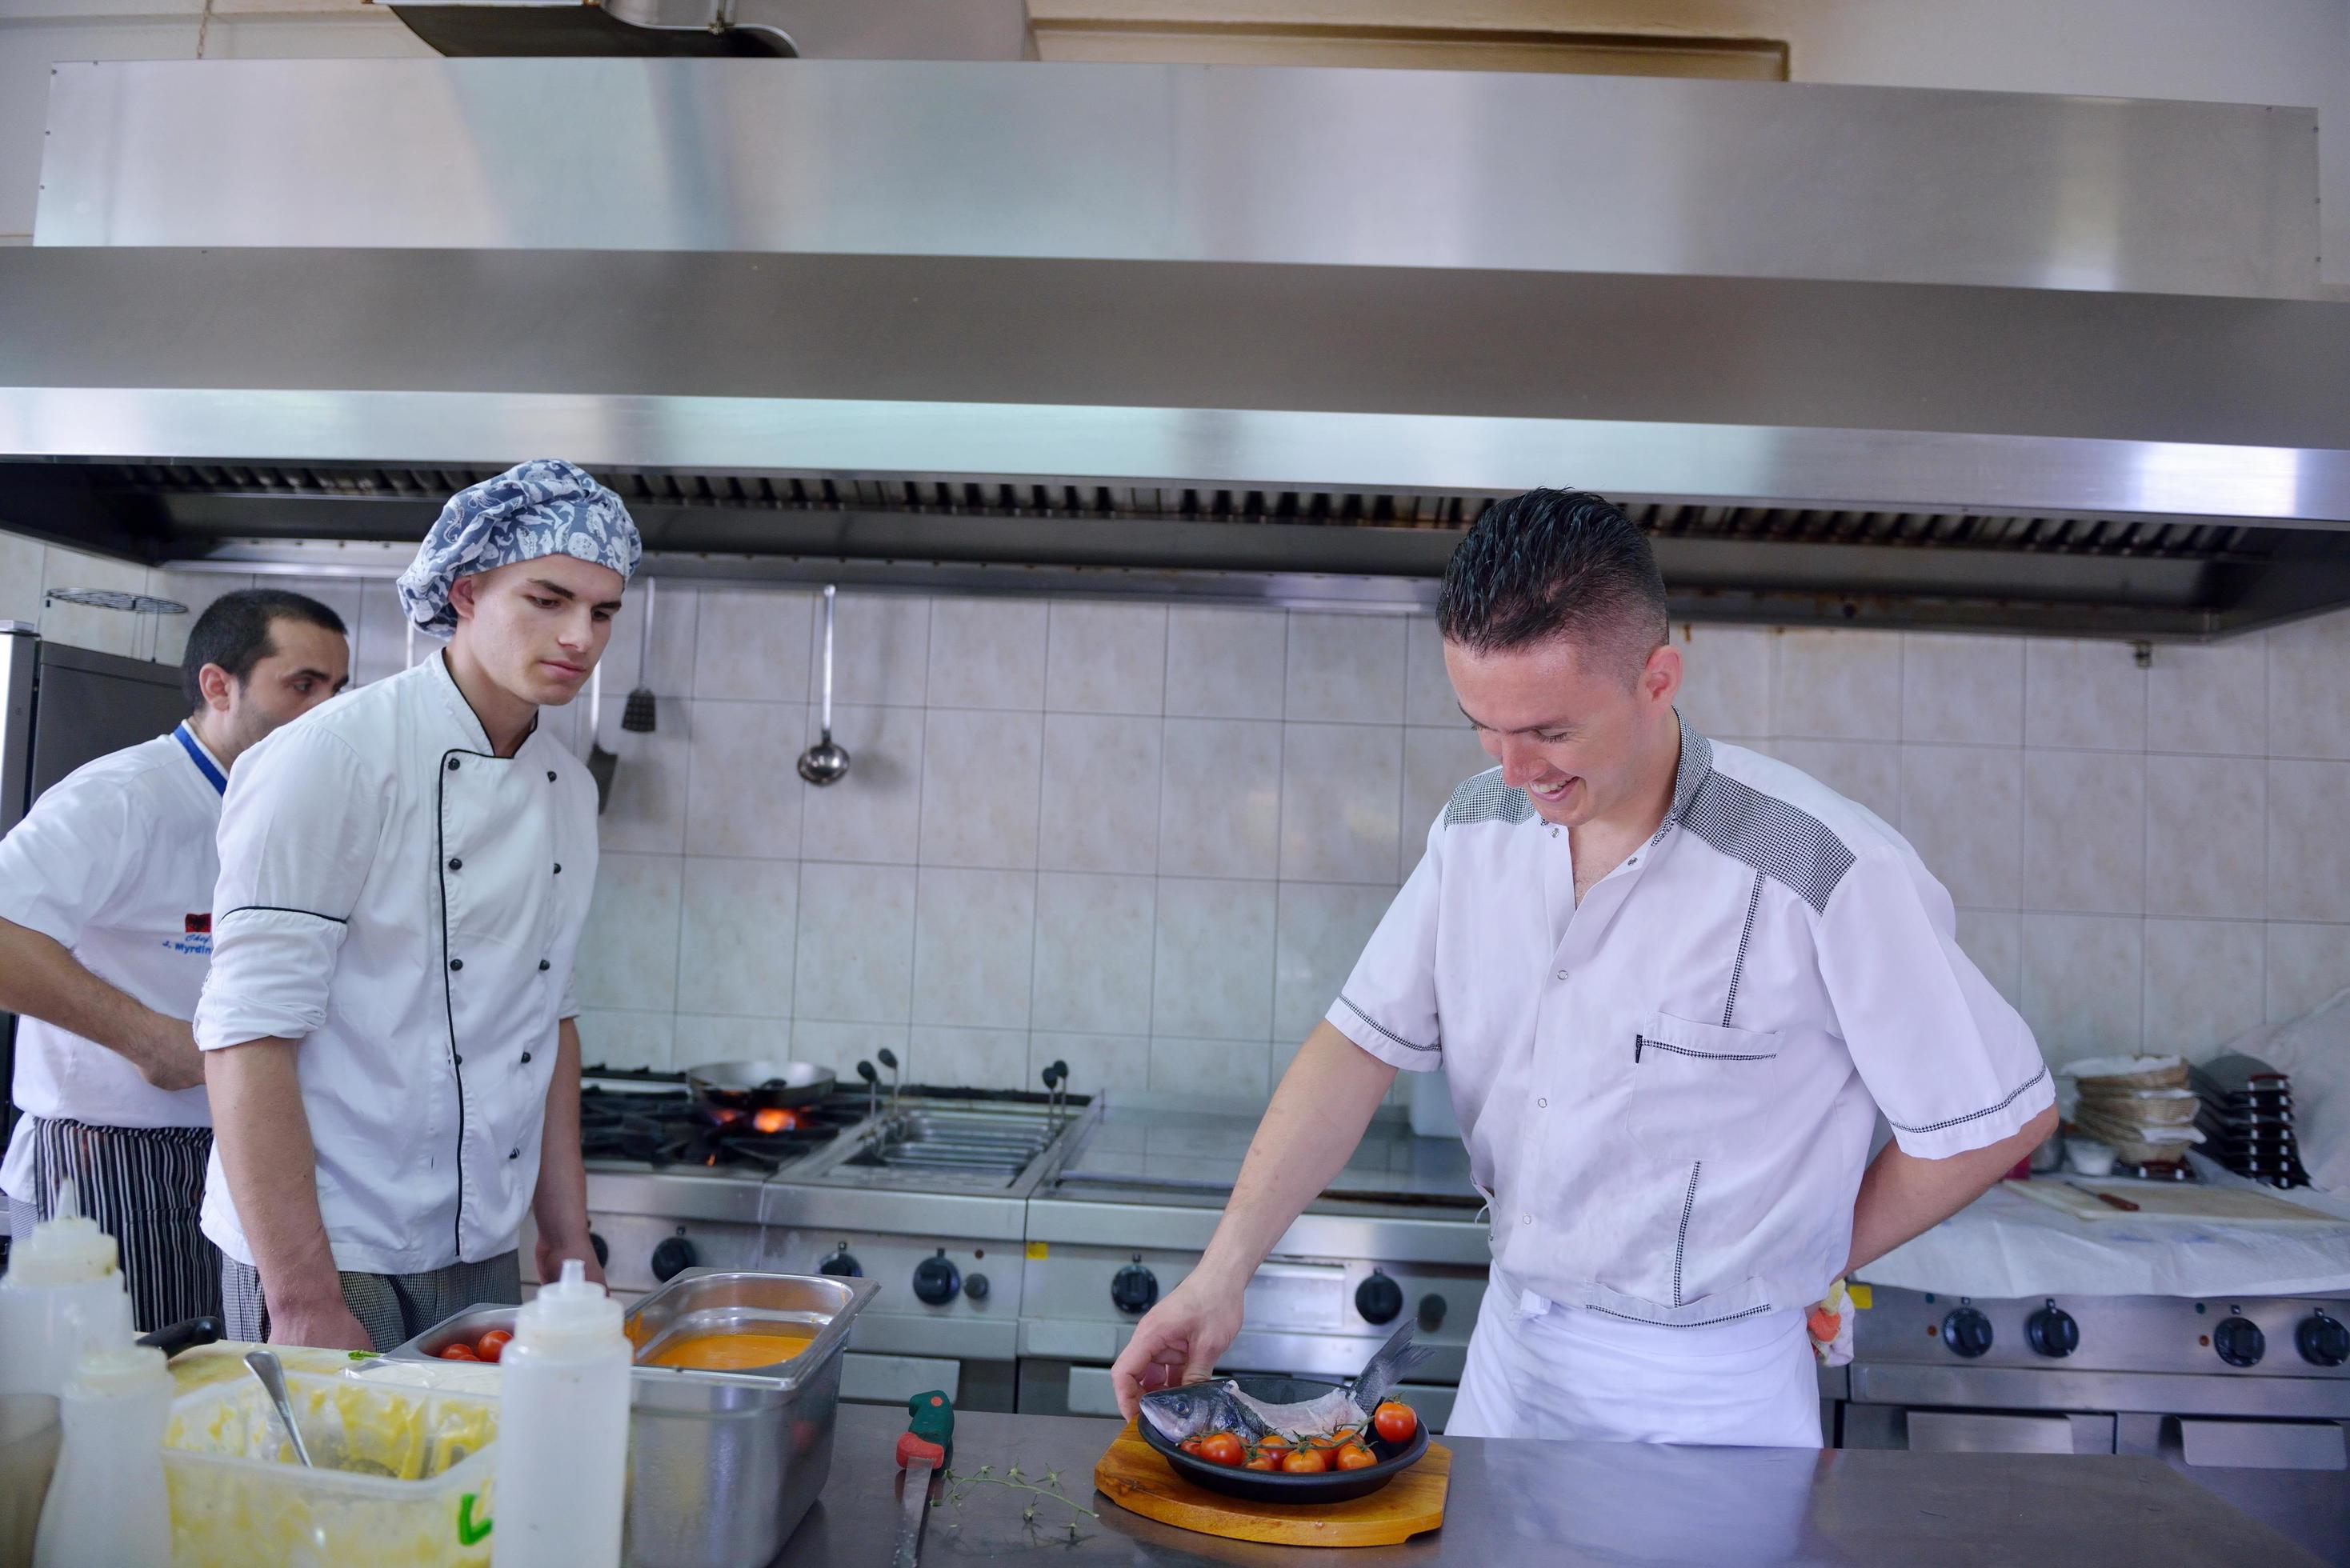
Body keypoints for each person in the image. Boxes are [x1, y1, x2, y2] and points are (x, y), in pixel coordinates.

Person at [1111, 490, 2056, 1446]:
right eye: (1483, 723)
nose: (1515, 769)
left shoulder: (1820, 865)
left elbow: (1994, 1122)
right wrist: (1220, 1272)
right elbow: (1358, 1044)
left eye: (1552, 731)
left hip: (1714, 1400)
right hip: (1514, 1361)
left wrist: (1806, 1256)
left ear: (1658, 677)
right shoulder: (1479, 828)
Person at [195, 459, 633, 1350]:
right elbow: (246, 1036)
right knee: (323, 1492)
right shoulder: (331, 758)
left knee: (470, 1490)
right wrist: (305, 1298)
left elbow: (547, 1020)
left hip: (476, 1241)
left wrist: (566, 1234)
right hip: (327, 1240)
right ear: (467, 593)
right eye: (547, 599)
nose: (580, 636)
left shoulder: (566, 790)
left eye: (601, 611)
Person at [0, 590, 350, 1330]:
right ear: (218, 686)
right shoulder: (125, 797)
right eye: (302, 686)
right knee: (122, 1398)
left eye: (336, 690)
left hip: (235, 1149)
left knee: (209, 1389)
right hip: (105, 1159)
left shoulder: (289, 814)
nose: (326, 712)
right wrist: (147, 1038)